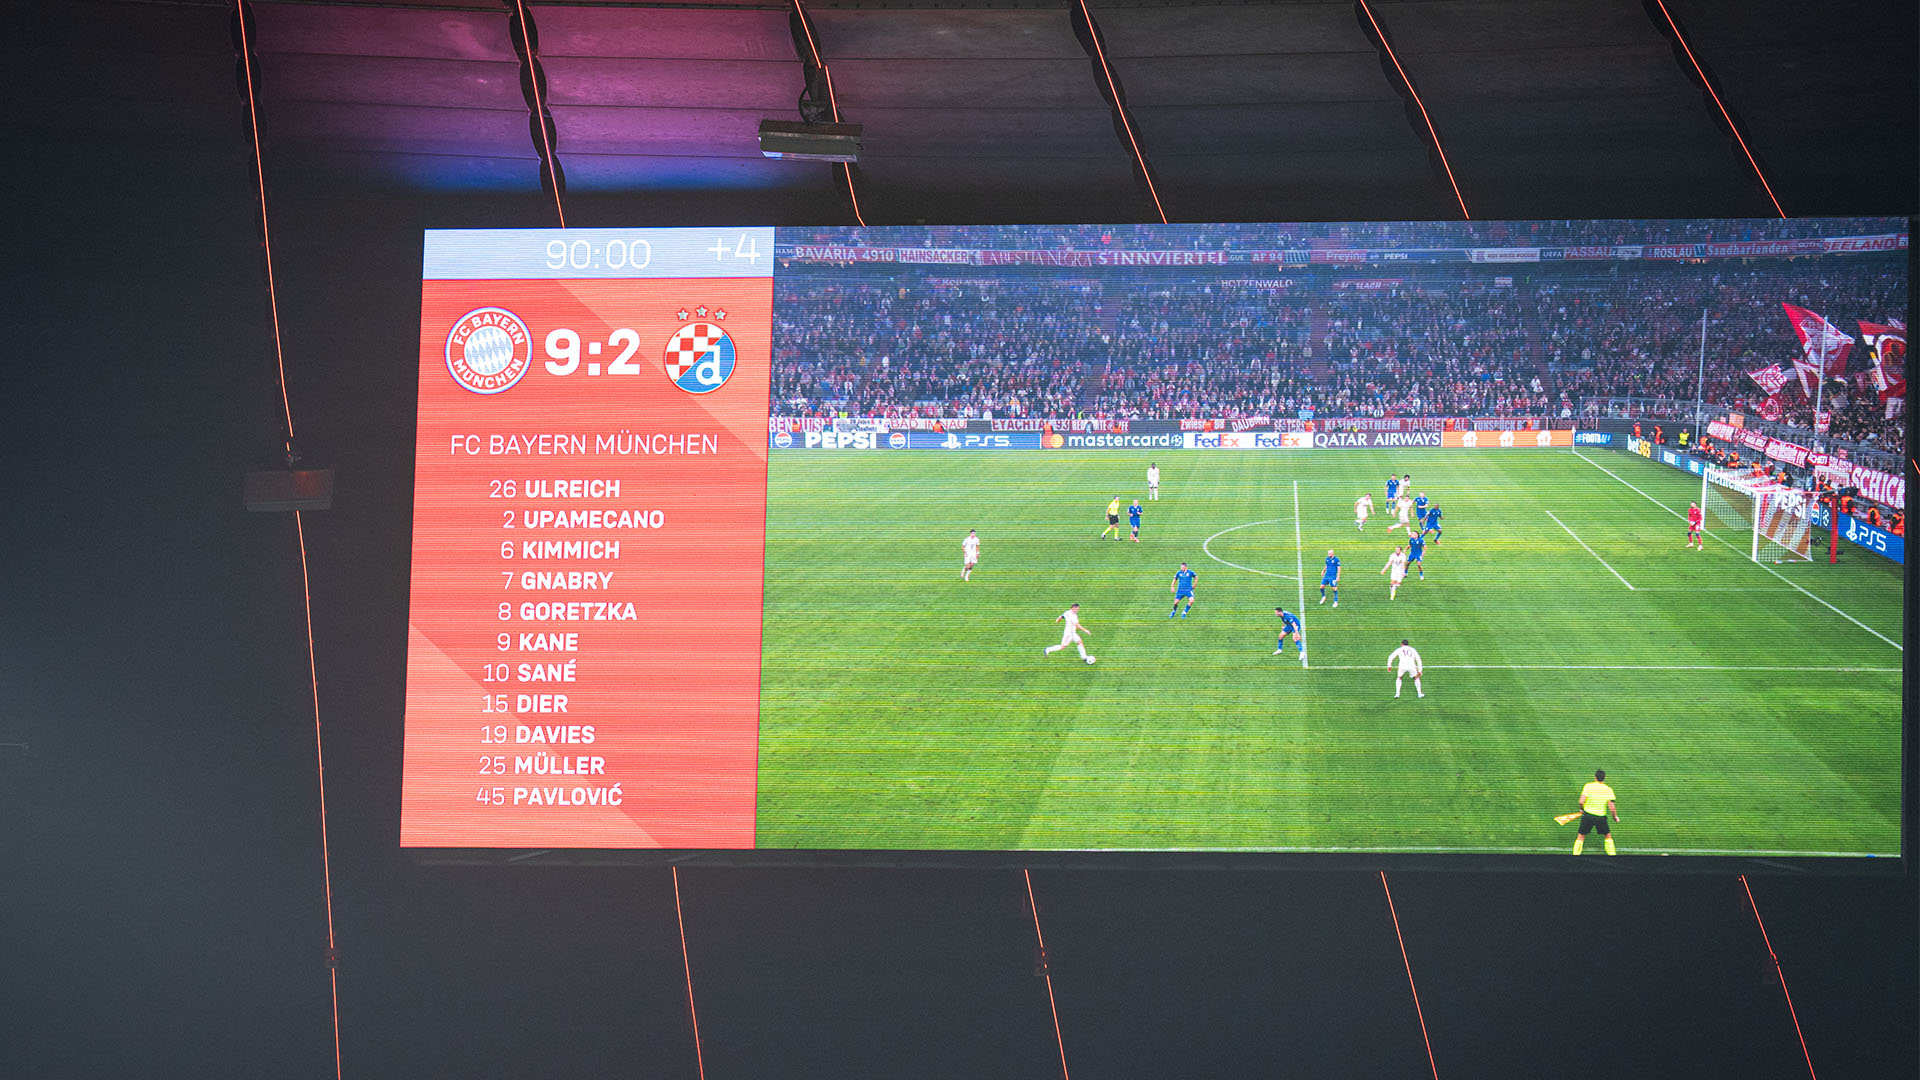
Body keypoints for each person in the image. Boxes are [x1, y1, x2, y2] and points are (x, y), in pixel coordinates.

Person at [1572, 769, 1619, 855]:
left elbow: (1581, 801)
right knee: (1607, 836)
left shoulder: (1588, 786)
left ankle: (1575, 855)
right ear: (1604, 778)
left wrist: (1582, 809)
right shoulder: (1608, 790)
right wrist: (1615, 817)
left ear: (1595, 777)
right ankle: (1612, 855)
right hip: (1600, 817)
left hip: (1588, 816)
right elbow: (1612, 807)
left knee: (1581, 836)